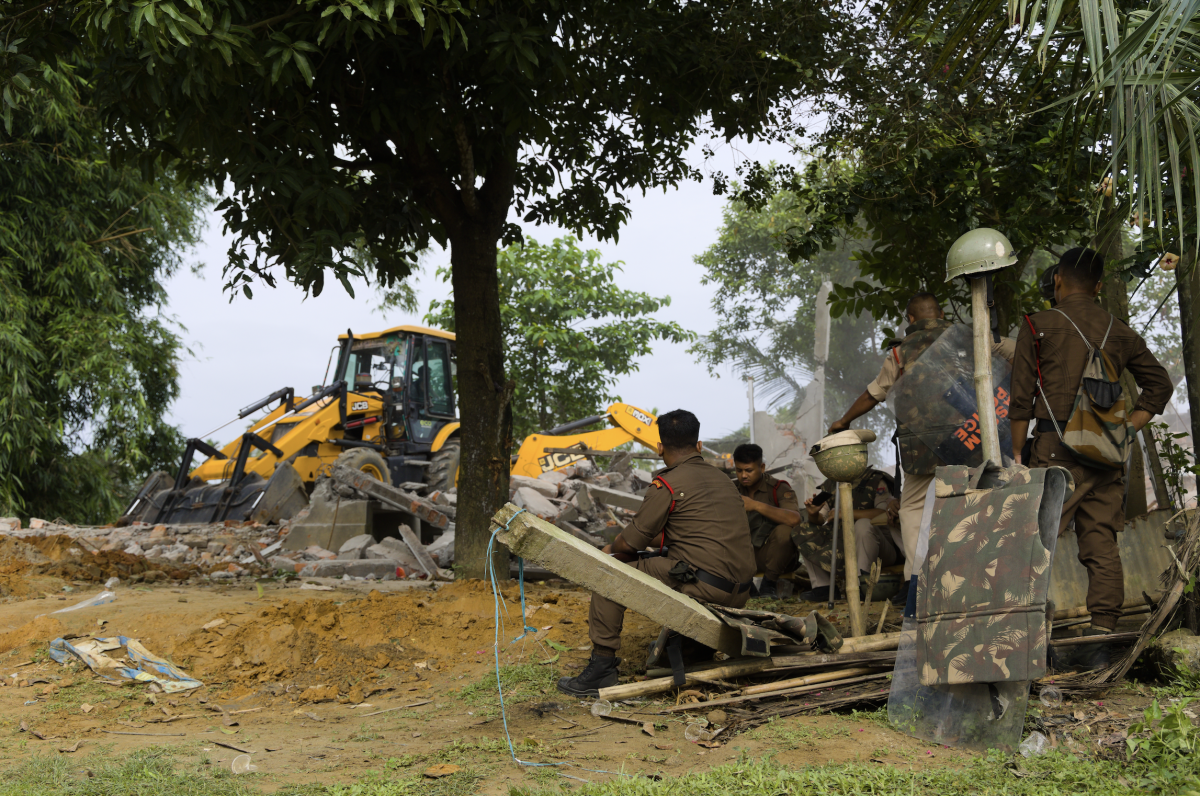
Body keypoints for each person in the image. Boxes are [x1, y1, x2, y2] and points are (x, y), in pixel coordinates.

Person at [1010, 247, 1171, 643]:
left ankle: (1024, 635)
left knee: (1035, 541)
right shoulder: (1120, 330)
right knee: (1100, 542)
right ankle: (1103, 634)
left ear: (1057, 280)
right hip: (1106, 453)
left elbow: (1021, 400)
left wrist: (1016, 455)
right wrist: (1127, 429)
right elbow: (1159, 385)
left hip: (1054, 449)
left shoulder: (1036, 325)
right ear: (1099, 287)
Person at [829, 290, 1016, 606]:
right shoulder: (969, 339)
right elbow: (1017, 353)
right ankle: (989, 577)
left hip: (923, 449)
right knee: (980, 502)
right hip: (972, 440)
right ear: (941, 314)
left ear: (910, 319)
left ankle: (917, 585)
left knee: (912, 510)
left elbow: (873, 394)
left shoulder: (900, 354)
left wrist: (842, 421)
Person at [557, 409, 756, 697]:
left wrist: (612, 550)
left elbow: (628, 545)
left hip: (706, 587)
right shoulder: (725, 481)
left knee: (607, 577)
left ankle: (601, 668)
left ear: (660, 448)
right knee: (664, 563)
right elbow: (695, 533)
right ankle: (692, 650)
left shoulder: (667, 484)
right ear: (699, 445)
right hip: (741, 590)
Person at [792, 467, 902, 602]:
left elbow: (884, 512)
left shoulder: (875, 480)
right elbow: (822, 519)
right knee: (803, 530)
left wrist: (845, 513)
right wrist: (813, 514)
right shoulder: (832, 483)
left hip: (881, 551)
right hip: (844, 548)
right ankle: (823, 588)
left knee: (863, 524)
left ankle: (861, 586)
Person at [732, 443, 802, 598]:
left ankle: (768, 585)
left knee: (786, 531)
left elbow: (794, 519)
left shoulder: (778, 488)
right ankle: (747, 587)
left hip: (773, 556)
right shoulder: (730, 489)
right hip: (740, 556)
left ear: (762, 467)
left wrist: (756, 505)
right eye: (739, 470)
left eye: (749, 470)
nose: (743, 475)